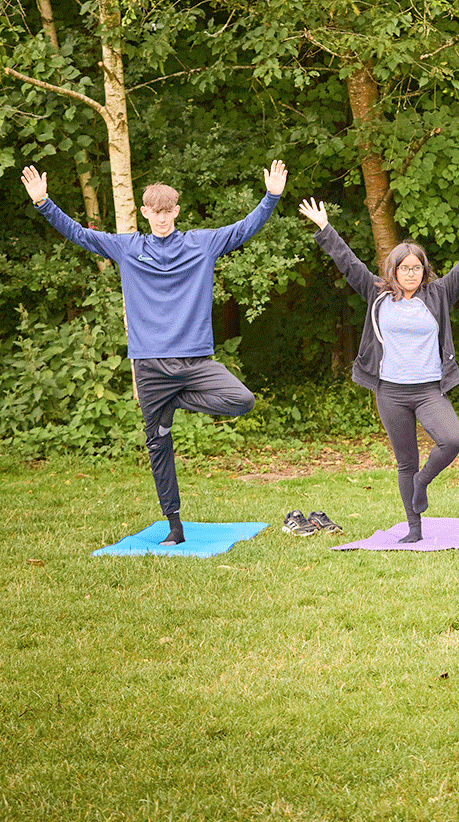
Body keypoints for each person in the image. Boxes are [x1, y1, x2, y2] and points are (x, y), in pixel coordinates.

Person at [21, 161, 288, 546]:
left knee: (242, 400)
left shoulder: (202, 243)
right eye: (155, 212)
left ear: (176, 211)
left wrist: (271, 197)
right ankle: (174, 527)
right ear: (145, 213)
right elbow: (80, 234)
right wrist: (43, 203)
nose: (162, 219)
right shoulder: (128, 248)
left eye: (168, 211)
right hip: (149, 366)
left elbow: (243, 229)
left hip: (194, 361)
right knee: (158, 445)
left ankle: (178, 400)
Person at [299, 197, 459, 543]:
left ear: (423, 270)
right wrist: (325, 228)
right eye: (404, 268)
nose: (411, 273)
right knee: (405, 461)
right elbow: (348, 263)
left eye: (416, 268)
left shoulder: (439, 293)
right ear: (393, 270)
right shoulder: (377, 294)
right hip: (390, 392)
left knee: (451, 440)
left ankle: (422, 481)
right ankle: (414, 530)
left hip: (429, 389)